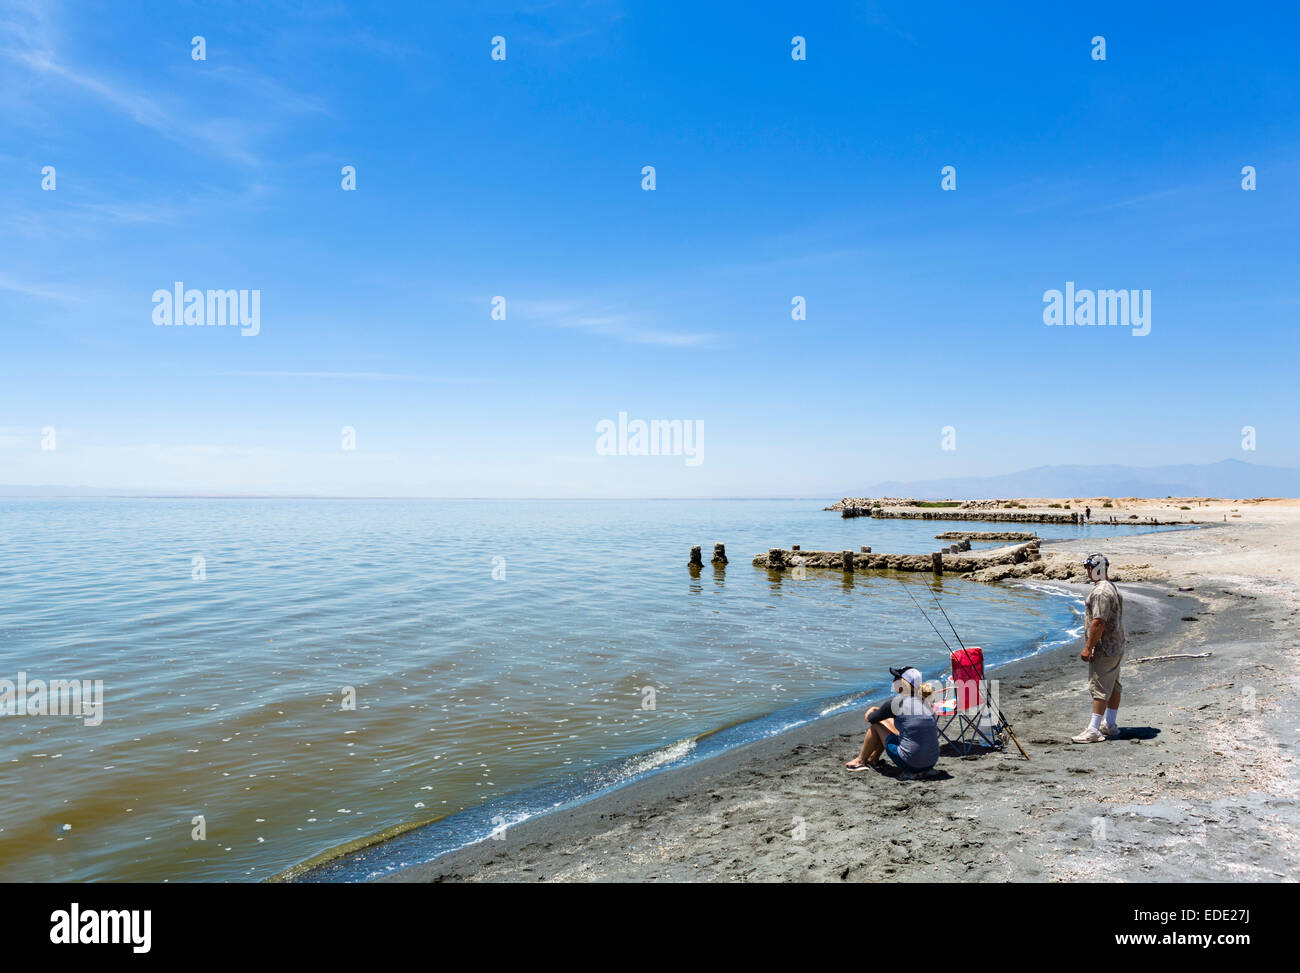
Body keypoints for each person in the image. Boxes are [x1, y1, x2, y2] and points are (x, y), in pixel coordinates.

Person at [1072, 553, 1125, 743]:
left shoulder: (1101, 592)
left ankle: (1094, 729)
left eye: (1088, 568)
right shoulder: (1111, 587)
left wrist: (1088, 647)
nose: (1087, 571)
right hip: (1117, 644)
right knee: (1114, 686)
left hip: (1105, 647)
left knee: (1100, 688)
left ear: (1095, 569)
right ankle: (1110, 724)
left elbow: (1098, 622)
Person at [846, 667, 940, 773]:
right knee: (892, 723)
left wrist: (874, 709)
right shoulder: (925, 702)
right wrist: (881, 711)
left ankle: (860, 761)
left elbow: (871, 718)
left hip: (911, 765)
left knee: (876, 726)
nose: (893, 681)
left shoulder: (896, 703)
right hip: (931, 762)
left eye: (896, 678)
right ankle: (873, 759)